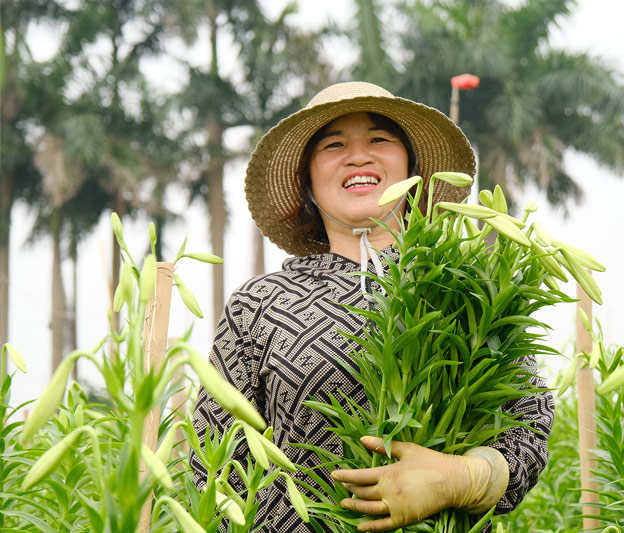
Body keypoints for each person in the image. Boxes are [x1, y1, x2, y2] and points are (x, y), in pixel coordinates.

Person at [191, 81, 554, 532]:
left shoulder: (468, 285)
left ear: (411, 166)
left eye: (379, 139)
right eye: (333, 144)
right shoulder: (258, 305)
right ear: (307, 179)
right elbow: (214, 462)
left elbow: (528, 425)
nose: (358, 156)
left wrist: (461, 479)